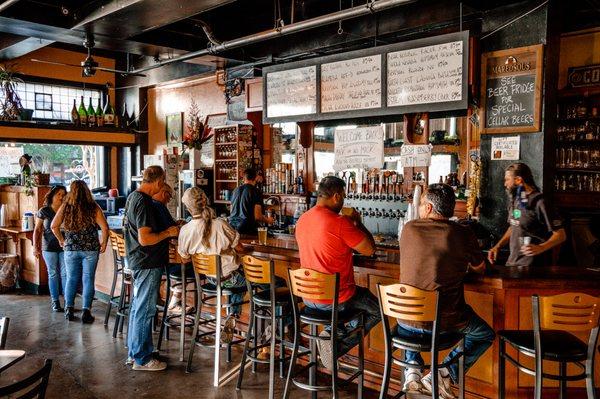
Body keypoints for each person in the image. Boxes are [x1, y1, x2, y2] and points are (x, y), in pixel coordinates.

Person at [398, 183, 495, 399]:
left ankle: (412, 368)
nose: (421, 209)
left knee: (415, 308)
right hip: (445, 323)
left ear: (430, 208)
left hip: (405, 322)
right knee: (484, 335)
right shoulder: (463, 233)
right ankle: (443, 372)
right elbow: (480, 269)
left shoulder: (409, 228)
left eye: (422, 205)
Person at [295, 175, 381, 370]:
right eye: (343, 196)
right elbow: (370, 249)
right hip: (335, 300)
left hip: (308, 298)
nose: (343, 201)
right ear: (336, 196)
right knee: (378, 311)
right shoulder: (340, 222)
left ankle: (332, 334)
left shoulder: (302, 220)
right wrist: (358, 223)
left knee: (348, 309)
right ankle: (337, 345)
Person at [124, 166, 179, 371]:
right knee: (145, 310)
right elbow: (145, 238)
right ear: (158, 182)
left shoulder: (133, 197)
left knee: (139, 307)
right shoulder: (144, 202)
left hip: (139, 260)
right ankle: (143, 359)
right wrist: (168, 232)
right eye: (163, 183)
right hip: (147, 260)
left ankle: (135, 351)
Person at [177, 187, 247, 324]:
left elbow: (184, 260)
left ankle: (232, 316)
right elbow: (240, 249)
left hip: (210, 279)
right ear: (205, 201)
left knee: (237, 279)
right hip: (231, 278)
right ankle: (234, 316)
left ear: (188, 208)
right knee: (269, 283)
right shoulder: (220, 224)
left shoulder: (185, 230)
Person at [51, 180, 109, 323]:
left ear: (72, 191)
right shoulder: (93, 206)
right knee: (88, 279)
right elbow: (105, 227)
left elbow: (54, 226)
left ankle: (69, 310)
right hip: (90, 249)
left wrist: (61, 240)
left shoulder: (66, 206)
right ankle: (86, 312)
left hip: (71, 248)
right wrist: (104, 242)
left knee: (71, 279)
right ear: (86, 191)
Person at [488, 163, 566, 267]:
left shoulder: (541, 202)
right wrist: (497, 246)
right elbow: (514, 226)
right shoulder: (516, 199)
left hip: (534, 267)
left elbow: (561, 235)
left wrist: (541, 247)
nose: (505, 184)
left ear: (518, 180)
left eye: (507, 179)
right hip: (513, 263)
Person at [152, 183, 190, 315]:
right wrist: (182, 227)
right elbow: (173, 231)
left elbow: (169, 227)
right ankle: (174, 302)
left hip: (153, 261)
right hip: (163, 261)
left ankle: (161, 301)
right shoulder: (159, 206)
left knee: (183, 263)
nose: (169, 201)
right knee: (187, 265)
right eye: (170, 197)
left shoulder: (149, 204)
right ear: (164, 194)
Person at [33, 185, 67, 312]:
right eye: (59, 194)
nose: (61, 197)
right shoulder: (44, 211)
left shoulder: (66, 209)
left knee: (65, 274)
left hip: (64, 246)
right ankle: (55, 301)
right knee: (52, 274)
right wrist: (35, 247)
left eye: (63, 194)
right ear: (52, 195)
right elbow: (37, 230)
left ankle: (68, 302)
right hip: (48, 247)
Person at [229, 168, 273, 234]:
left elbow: (231, 210)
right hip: (246, 229)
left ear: (244, 178)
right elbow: (257, 216)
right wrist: (268, 220)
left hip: (232, 228)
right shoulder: (256, 191)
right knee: (270, 237)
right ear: (255, 178)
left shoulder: (235, 190)